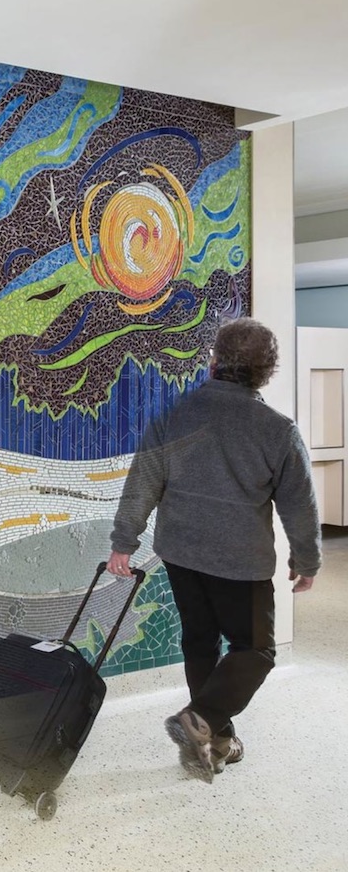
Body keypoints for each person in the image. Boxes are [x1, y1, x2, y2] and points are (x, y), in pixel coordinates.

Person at [107, 318, 321, 783]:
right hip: (238, 563)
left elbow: (144, 480)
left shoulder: (175, 414)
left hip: (181, 555)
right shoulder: (277, 430)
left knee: (200, 641)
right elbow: (299, 505)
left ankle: (213, 743)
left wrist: (123, 542)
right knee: (257, 650)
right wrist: (306, 560)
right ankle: (200, 721)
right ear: (267, 372)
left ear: (214, 361)